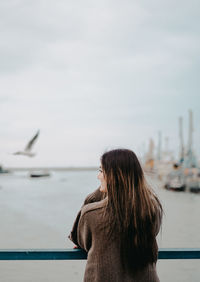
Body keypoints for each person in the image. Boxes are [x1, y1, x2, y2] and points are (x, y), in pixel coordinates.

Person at [68, 149, 163, 282]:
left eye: (101, 171)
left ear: (114, 176)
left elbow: (78, 238)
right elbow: (154, 231)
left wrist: (103, 191)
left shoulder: (91, 213)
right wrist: (117, 188)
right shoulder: (152, 209)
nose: (98, 176)